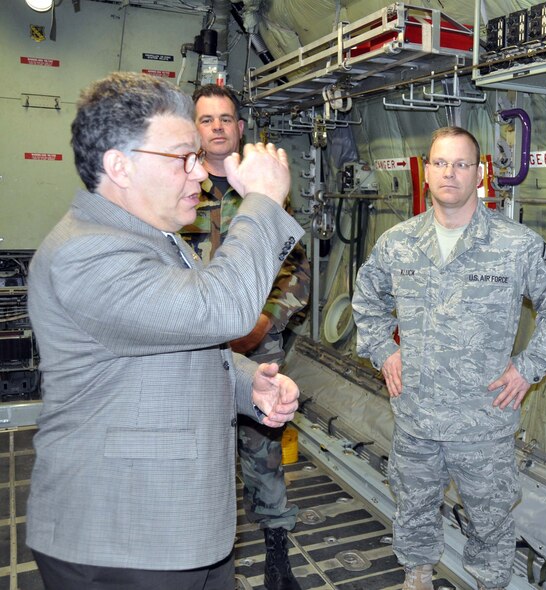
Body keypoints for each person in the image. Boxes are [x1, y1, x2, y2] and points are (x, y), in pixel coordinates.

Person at [26, 72, 305, 590]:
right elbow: (220, 309)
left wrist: (249, 383)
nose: (200, 174)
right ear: (119, 165)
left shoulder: (150, 239)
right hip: (123, 539)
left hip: (184, 530)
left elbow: (180, 343)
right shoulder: (86, 251)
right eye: (184, 157)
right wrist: (262, 203)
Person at [351, 126, 546, 590]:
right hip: (416, 414)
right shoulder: (399, 242)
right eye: (440, 163)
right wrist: (383, 349)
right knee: (413, 505)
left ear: (478, 173)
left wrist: (529, 365)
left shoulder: (515, 244)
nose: (449, 173)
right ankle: (416, 574)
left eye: (461, 164)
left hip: (484, 419)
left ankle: (490, 582)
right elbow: (367, 298)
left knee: (490, 517)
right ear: (427, 171)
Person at [181, 84, 310, 590]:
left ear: (240, 128)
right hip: (192, 351)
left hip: (258, 350)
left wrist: (264, 322)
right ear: (194, 128)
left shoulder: (261, 190)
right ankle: (205, 563)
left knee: (263, 455)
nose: (216, 126)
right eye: (206, 118)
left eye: (226, 118)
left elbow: (294, 268)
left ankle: (278, 555)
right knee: (199, 455)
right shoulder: (178, 190)